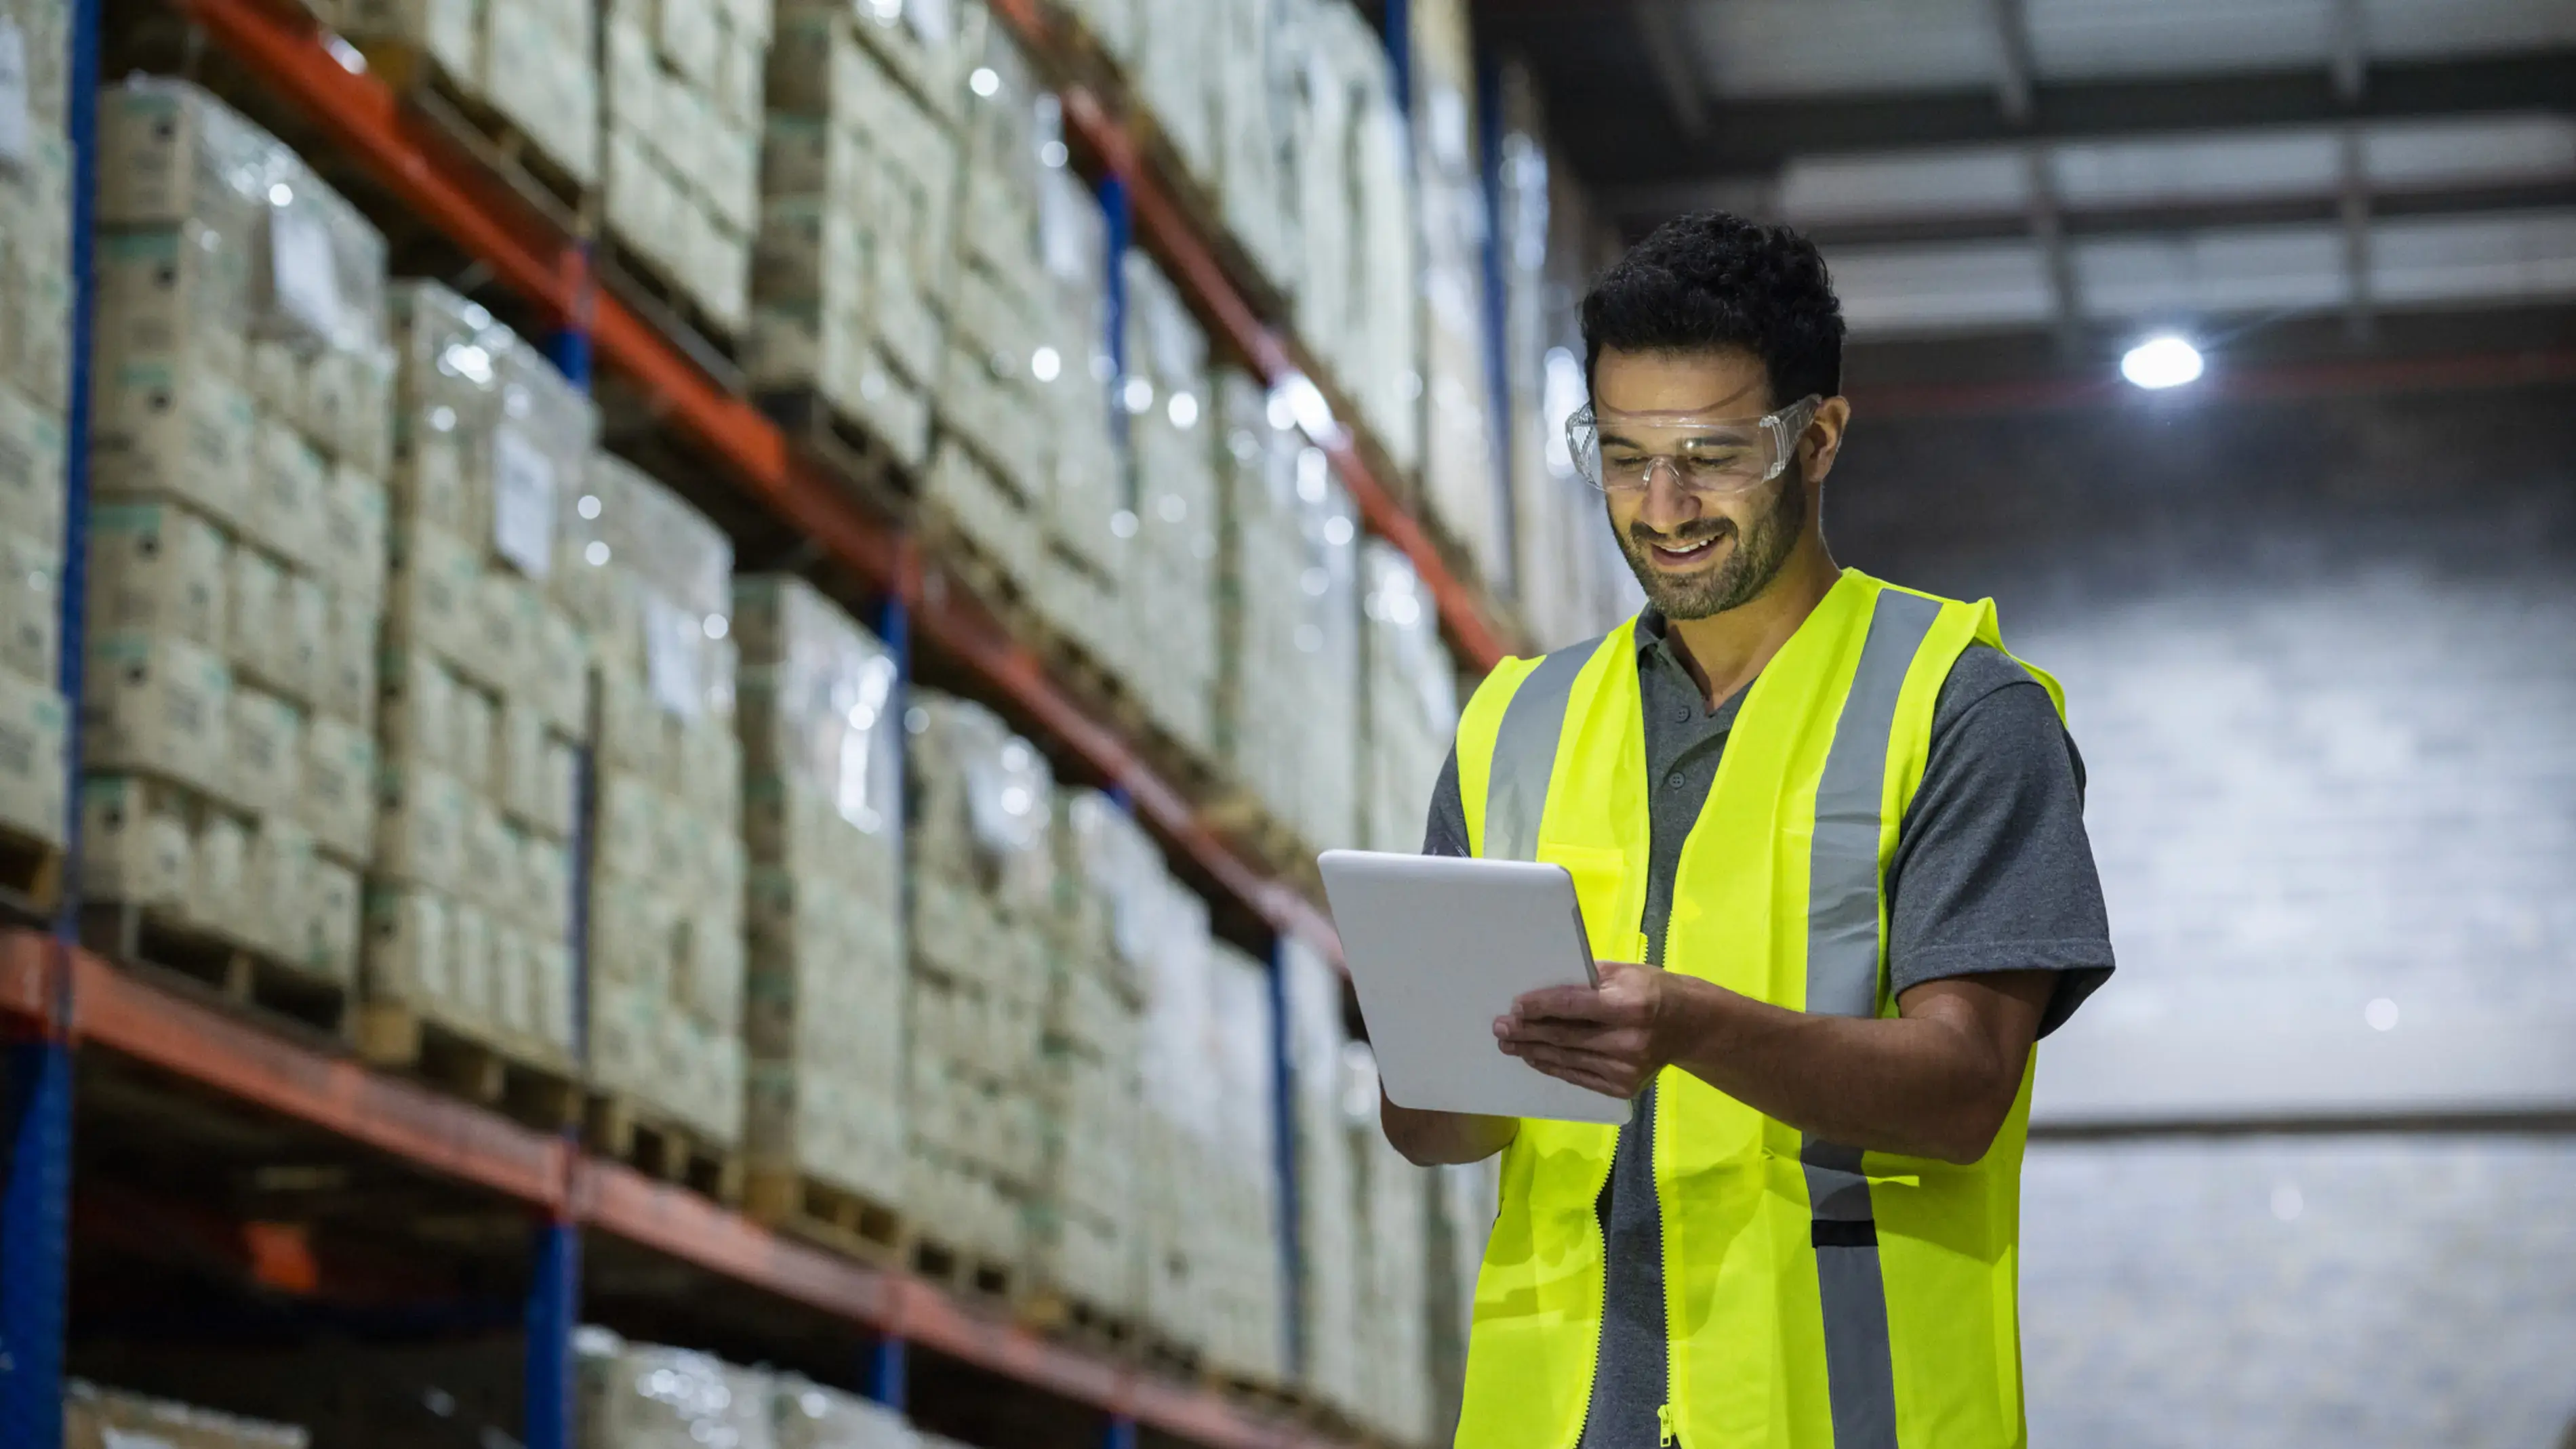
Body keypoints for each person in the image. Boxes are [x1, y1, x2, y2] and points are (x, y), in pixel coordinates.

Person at [1386, 212, 2115, 1448]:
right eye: (1621, 457)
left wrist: (1685, 1026)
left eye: (1711, 455)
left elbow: (1963, 1088)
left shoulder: (1961, 708)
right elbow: (1432, 1124)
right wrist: (1461, 1053)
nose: (1663, 507)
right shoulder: (1515, 726)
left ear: (1816, 437)